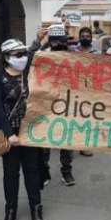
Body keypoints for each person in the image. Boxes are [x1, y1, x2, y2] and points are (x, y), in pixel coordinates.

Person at [0, 39, 43, 220]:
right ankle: (10, 209)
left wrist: (40, 39)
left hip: (30, 132)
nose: (22, 58)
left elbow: (37, 51)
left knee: (32, 172)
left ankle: (36, 207)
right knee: (10, 174)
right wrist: (9, 134)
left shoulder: (29, 74)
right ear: (6, 58)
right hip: (8, 135)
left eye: (23, 54)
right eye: (17, 55)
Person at [30, 25, 77, 186]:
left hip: (67, 104)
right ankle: (44, 172)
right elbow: (29, 57)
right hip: (45, 104)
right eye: (54, 41)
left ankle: (67, 172)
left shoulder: (72, 56)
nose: (57, 44)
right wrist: (38, 41)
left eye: (60, 41)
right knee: (45, 141)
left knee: (66, 141)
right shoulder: (43, 54)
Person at [70, 27, 95, 157]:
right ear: (79, 37)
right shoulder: (72, 51)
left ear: (91, 37)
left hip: (91, 89)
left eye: (87, 36)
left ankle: (84, 145)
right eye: (83, 36)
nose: (85, 38)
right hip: (75, 88)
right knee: (76, 117)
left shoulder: (96, 52)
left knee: (88, 118)